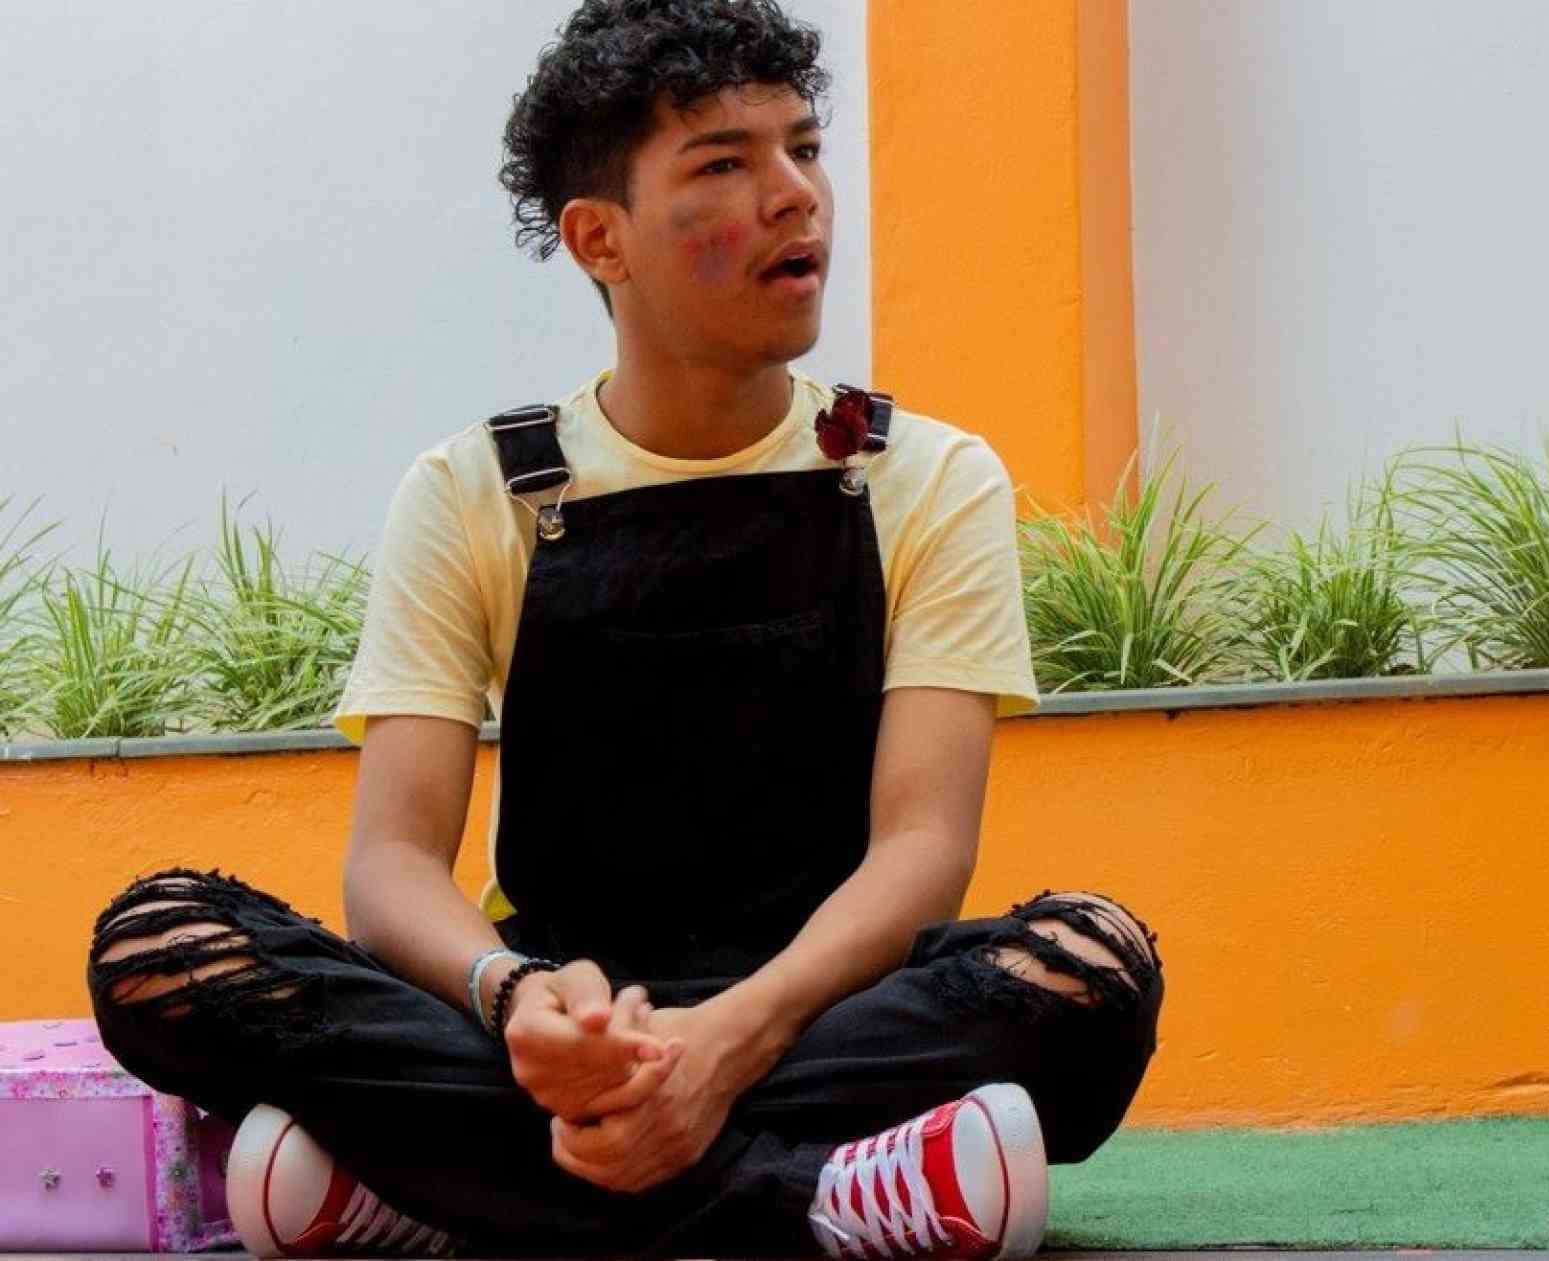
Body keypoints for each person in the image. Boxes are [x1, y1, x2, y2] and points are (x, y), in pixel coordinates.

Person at [85, 2, 1161, 1256]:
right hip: (557, 1007)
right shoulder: (475, 489)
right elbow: (390, 864)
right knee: (160, 942)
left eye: (804, 148)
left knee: (1089, 964)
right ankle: (816, 1194)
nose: (796, 195)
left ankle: (428, 1190)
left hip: (822, 1002)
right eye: (724, 163)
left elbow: (922, 847)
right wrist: (516, 998)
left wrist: (730, 1040)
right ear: (601, 237)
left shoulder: (925, 475)